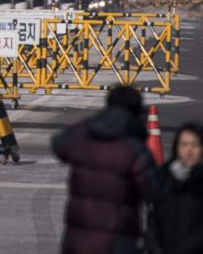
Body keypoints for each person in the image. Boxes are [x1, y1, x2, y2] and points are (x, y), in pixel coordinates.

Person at [51, 86, 164, 254]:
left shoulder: (85, 138)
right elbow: (154, 190)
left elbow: (59, 144)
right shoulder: (134, 148)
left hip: (79, 239)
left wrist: (95, 120)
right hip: (118, 240)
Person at [147, 123, 203, 254]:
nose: (189, 150)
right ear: (176, 148)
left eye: (195, 145)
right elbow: (153, 221)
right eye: (184, 144)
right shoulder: (166, 179)